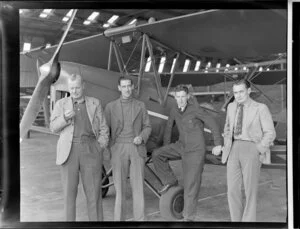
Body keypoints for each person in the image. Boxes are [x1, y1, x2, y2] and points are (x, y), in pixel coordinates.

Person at [152, 84, 223, 221]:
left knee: (191, 184)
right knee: (157, 154)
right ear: (175, 97)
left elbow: (212, 123)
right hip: (181, 146)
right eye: (177, 97)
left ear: (188, 97)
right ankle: (170, 180)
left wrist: (218, 143)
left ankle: (188, 218)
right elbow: (168, 128)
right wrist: (166, 147)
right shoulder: (174, 110)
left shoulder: (196, 109)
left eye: (183, 96)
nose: (180, 100)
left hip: (196, 151)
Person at [213, 79, 276, 222]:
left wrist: (259, 148)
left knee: (250, 190)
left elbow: (270, 132)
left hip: (251, 147)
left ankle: (248, 223)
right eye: (235, 93)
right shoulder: (231, 107)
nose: (238, 95)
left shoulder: (260, 108)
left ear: (249, 91)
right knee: (232, 190)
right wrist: (226, 144)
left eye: (241, 91)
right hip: (233, 148)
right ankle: (236, 222)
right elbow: (227, 127)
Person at [50, 74, 109, 221]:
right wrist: (64, 118)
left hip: (90, 149)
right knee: (69, 195)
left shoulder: (95, 103)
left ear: (83, 86)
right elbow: (53, 127)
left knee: (94, 193)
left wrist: (99, 147)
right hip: (68, 152)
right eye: (71, 88)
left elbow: (104, 129)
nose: (74, 91)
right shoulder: (61, 104)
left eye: (77, 87)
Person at [104, 76, 152, 221]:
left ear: (133, 87)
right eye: (124, 86)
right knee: (120, 189)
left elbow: (147, 126)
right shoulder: (110, 107)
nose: (127, 89)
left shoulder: (140, 105)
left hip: (136, 147)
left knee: (138, 188)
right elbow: (105, 129)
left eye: (129, 86)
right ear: (119, 88)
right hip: (118, 147)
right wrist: (110, 148)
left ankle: (140, 220)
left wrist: (142, 137)